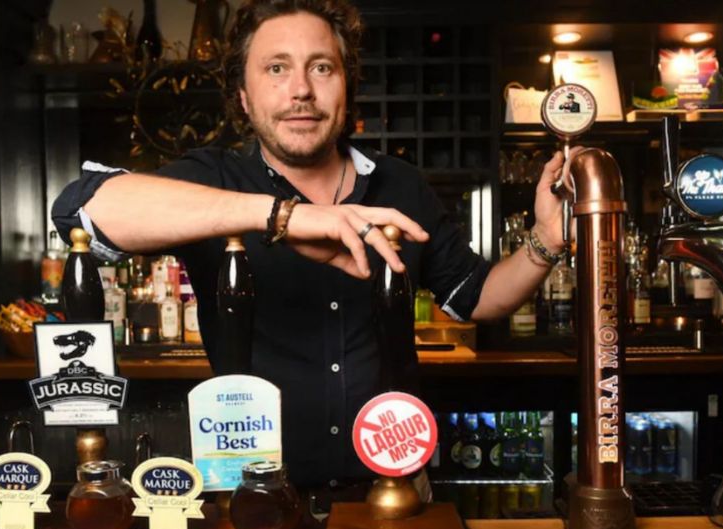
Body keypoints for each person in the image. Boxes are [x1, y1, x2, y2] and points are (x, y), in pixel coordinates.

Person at [54, 0, 572, 489]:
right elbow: (81, 210)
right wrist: (283, 216)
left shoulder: (400, 185)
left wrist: (546, 240)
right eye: (276, 68)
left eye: (321, 67)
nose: (300, 89)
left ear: (347, 87)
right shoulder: (214, 180)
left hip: (391, 484)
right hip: (253, 490)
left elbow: (477, 297)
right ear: (244, 96)